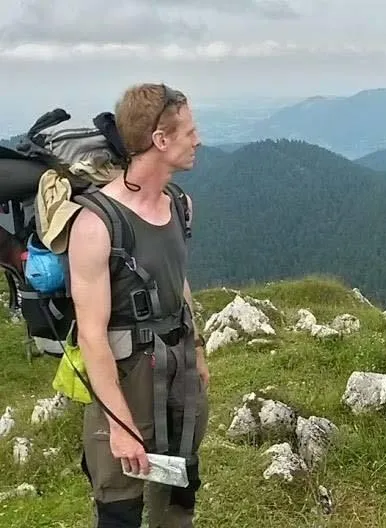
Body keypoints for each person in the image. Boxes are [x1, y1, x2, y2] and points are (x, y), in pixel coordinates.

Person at [67, 83, 209, 528]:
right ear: (160, 140)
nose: (199, 139)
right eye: (189, 131)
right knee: (120, 507)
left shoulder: (180, 205)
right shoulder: (96, 225)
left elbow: (177, 280)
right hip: (127, 382)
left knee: (181, 488)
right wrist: (120, 425)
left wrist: (197, 349)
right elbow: (92, 335)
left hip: (179, 371)